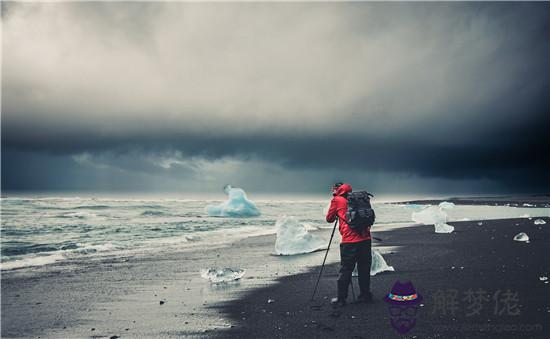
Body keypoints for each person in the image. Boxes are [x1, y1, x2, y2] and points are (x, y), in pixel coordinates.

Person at [326, 182, 373, 306]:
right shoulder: (358, 199)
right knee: (364, 267)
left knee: (346, 269)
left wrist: (337, 213)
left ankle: (341, 299)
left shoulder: (337, 200)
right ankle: (365, 295)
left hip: (350, 241)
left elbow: (329, 219)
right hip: (365, 238)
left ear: (336, 189)